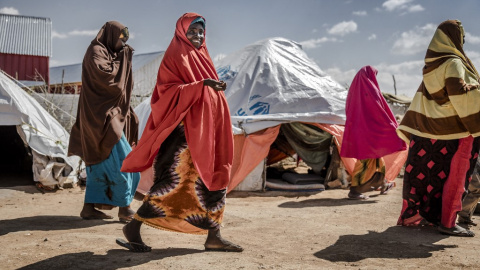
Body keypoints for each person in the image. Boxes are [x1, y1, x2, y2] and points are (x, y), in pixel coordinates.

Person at [115, 13, 243, 253]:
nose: (198, 36)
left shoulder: (202, 56)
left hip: (208, 132)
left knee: (214, 181)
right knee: (175, 184)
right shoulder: (174, 56)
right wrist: (201, 86)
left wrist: (213, 90)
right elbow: (166, 92)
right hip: (183, 137)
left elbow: (206, 90)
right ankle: (133, 227)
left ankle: (214, 236)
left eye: (201, 32)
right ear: (182, 32)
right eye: (192, 31)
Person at [397, 20, 480, 237]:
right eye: (461, 35)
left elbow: (431, 98)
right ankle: (448, 222)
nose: (464, 40)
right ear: (453, 37)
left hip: (428, 133)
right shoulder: (454, 63)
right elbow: (458, 94)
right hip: (457, 131)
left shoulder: (431, 67)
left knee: (429, 177)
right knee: (455, 179)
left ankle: (425, 216)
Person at [68, 21, 140, 223]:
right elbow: (109, 82)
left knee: (99, 165)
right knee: (124, 161)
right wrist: (125, 58)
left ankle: (88, 208)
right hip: (98, 118)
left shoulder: (110, 54)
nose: (123, 43)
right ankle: (125, 208)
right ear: (111, 35)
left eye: (126, 39)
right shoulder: (96, 51)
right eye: (121, 38)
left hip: (107, 115)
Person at [340, 66, 407, 200]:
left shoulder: (353, 92)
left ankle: (383, 184)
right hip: (370, 133)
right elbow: (379, 109)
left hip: (360, 132)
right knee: (365, 163)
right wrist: (391, 125)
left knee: (377, 160)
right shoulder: (370, 89)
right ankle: (355, 190)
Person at [458, 157, 480, 226]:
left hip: (473, 157)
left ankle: (465, 216)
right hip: (468, 157)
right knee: (476, 189)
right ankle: (463, 214)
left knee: (474, 190)